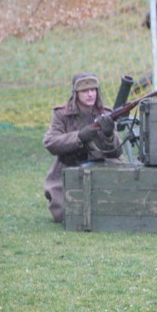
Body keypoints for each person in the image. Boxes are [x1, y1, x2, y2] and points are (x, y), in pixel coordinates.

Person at [43, 72, 122, 223]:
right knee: (65, 214)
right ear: (76, 94)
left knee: (114, 210)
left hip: (102, 166)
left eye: (93, 90)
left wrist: (109, 134)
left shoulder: (106, 113)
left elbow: (116, 152)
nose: (90, 94)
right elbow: (50, 142)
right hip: (68, 167)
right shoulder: (61, 114)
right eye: (85, 91)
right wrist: (79, 137)